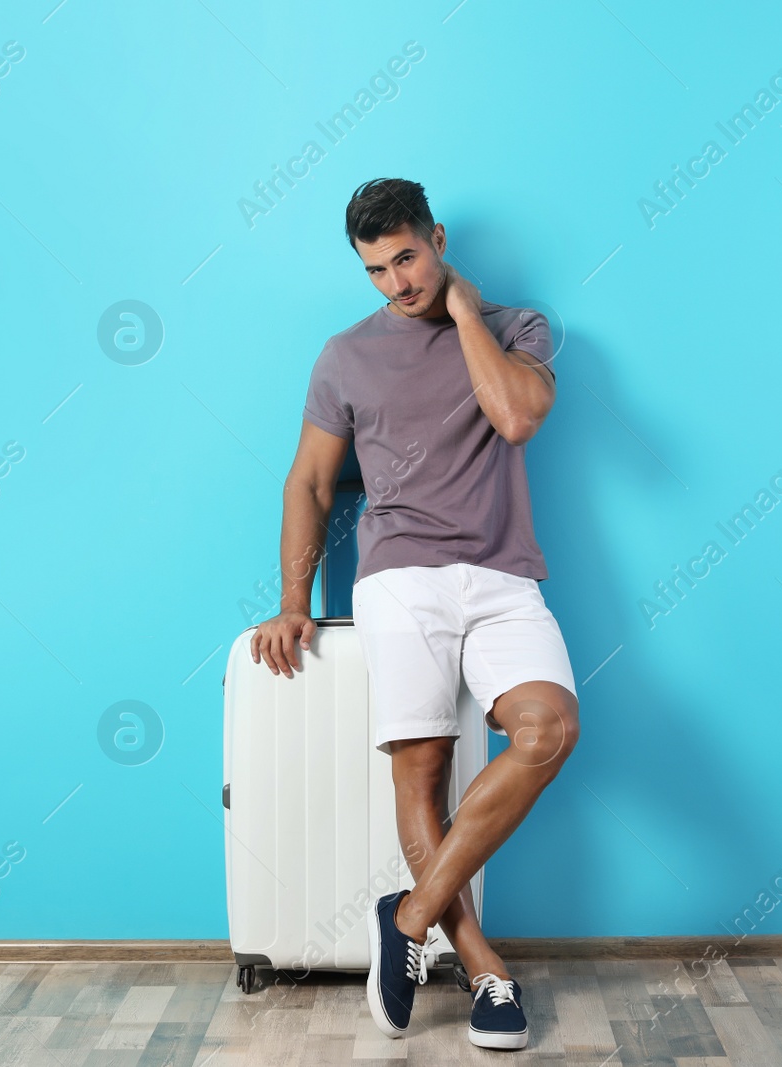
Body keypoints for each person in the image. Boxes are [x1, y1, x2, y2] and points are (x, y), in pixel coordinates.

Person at [249, 177, 580, 1051]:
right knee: (421, 776)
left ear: (436, 237)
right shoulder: (344, 356)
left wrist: (466, 314)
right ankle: (486, 972)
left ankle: (406, 917)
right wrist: (293, 603)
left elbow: (514, 416)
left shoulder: (518, 328)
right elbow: (310, 483)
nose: (396, 282)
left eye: (406, 258)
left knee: (547, 731)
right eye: (375, 270)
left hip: (504, 577)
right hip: (400, 577)